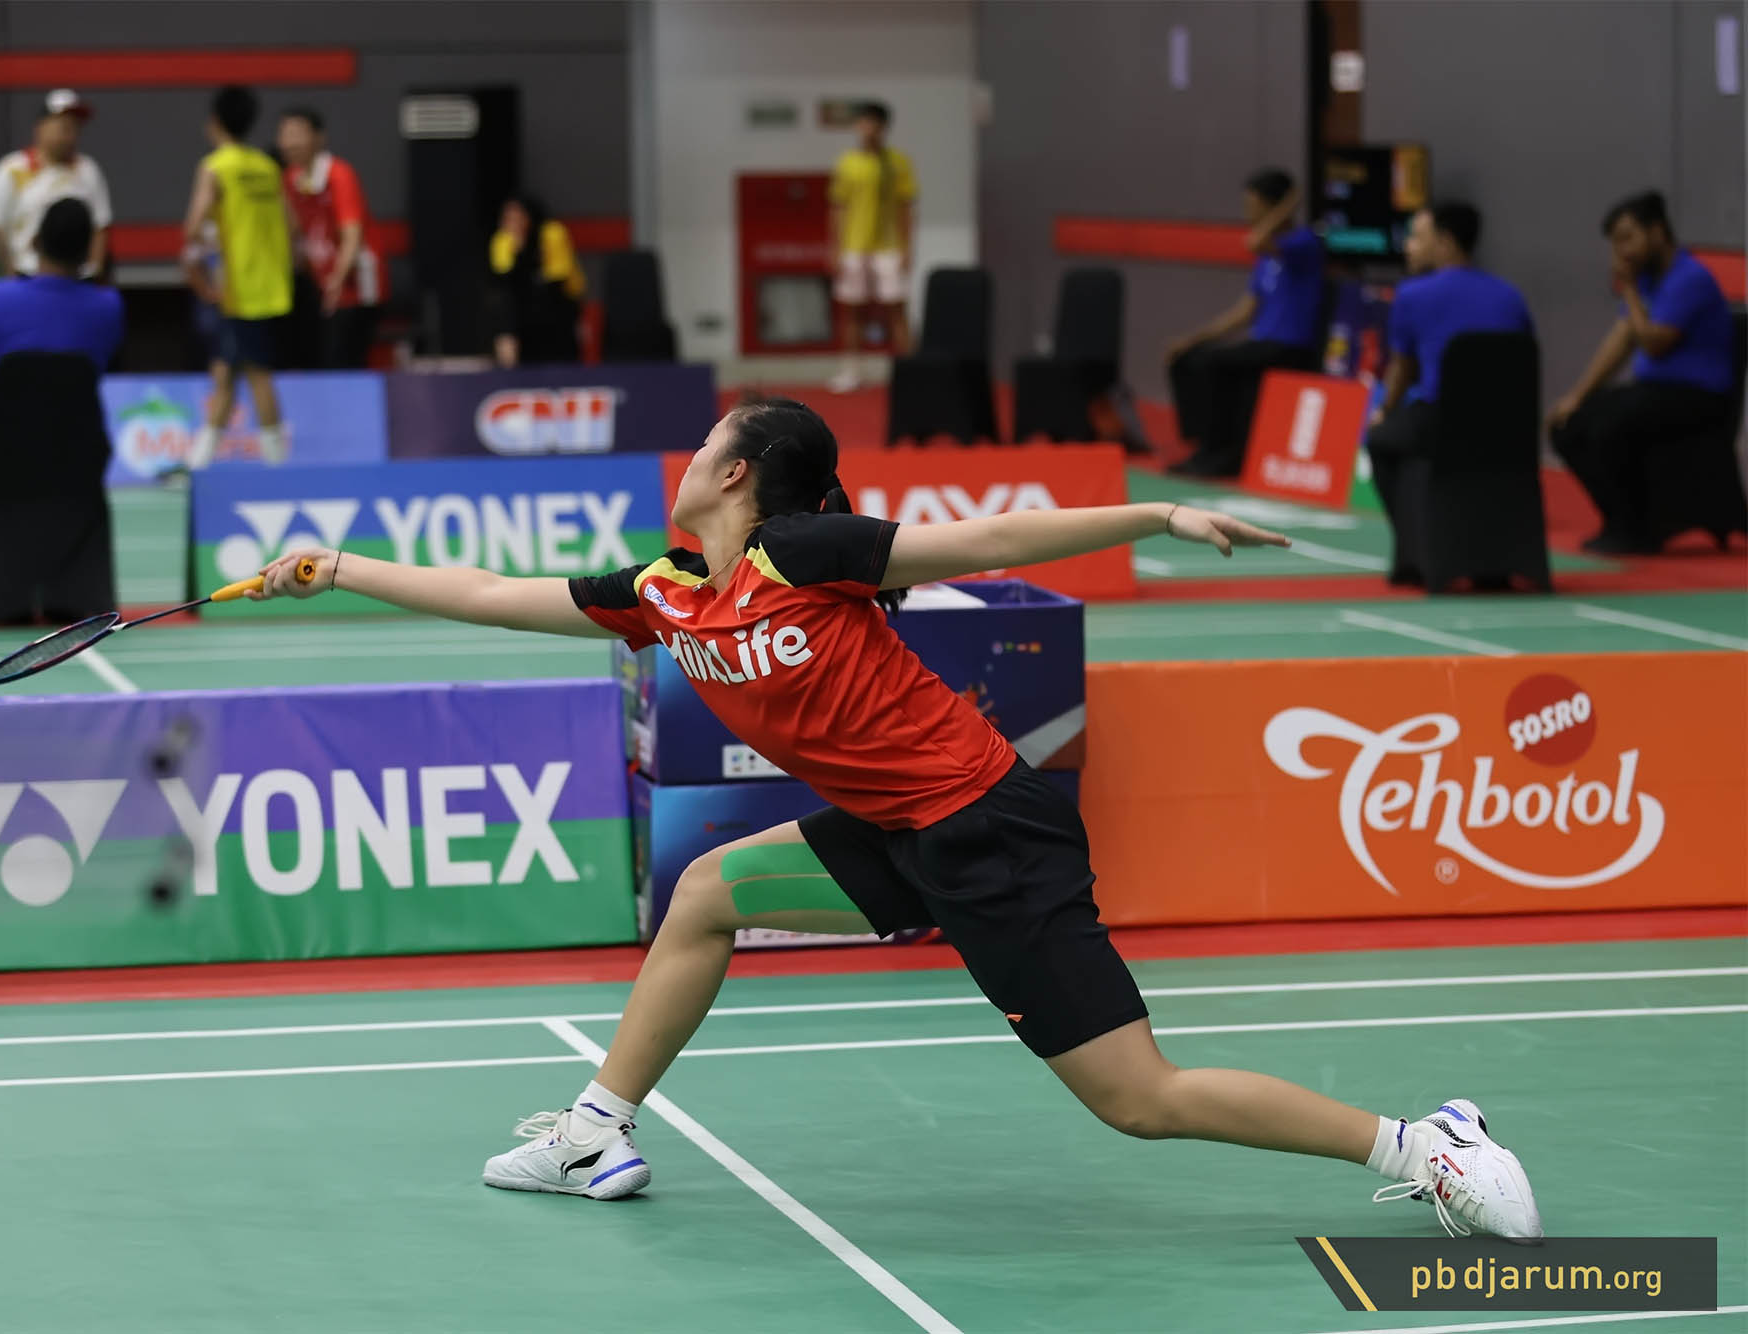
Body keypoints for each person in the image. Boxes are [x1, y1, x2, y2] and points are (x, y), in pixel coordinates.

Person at [249, 396, 1545, 1244]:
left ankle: (1422, 1143)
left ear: (737, 472)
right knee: (704, 892)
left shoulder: (802, 555)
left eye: (704, 443)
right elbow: (491, 592)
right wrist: (337, 567)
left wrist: (1158, 511)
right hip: (889, 828)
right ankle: (595, 1129)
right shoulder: (664, 590)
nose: (685, 456)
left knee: (1137, 1098)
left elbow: (983, 539)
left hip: (987, 827)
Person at [1549, 191, 1737, 554]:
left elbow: (1653, 343)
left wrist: (1631, 290)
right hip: (1654, 392)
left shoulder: (1690, 278)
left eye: (1627, 238)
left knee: (1610, 426)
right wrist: (1577, 395)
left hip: (1697, 396)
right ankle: (1622, 520)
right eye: (1615, 243)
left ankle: (1636, 529)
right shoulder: (1650, 279)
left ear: (1657, 232)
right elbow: (1621, 340)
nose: (1622, 251)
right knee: (1569, 425)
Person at [1365, 202, 1534, 583]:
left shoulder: (1412, 294)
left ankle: (1417, 556)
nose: (1408, 246)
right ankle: (1491, 561)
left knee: (1382, 440)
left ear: (1445, 242)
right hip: (1508, 431)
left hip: (1443, 424)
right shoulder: (1510, 295)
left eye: (1416, 237)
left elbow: (1402, 369)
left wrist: (1385, 410)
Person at [0, 199, 123, 469]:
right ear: (88, 251)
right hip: (77, 467)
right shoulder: (109, 307)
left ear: (34, 243)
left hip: (0, 464)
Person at [1166, 168, 1325, 477]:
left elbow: (1255, 241)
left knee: (1212, 364)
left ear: (1274, 207)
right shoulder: (1267, 258)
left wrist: (1290, 204)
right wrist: (1194, 338)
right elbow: (1244, 311)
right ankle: (1204, 446)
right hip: (1259, 343)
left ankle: (1222, 454)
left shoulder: (1304, 243)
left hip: (1289, 346)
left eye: (1253, 205)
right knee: (1188, 358)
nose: (1247, 213)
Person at [182, 84, 291, 469]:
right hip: (270, 285)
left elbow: (194, 226)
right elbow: (291, 225)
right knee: (226, 371)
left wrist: (201, 262)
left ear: (214, 122)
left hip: (235, 288)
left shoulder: (216, 167)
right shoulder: (267, 167)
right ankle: (199, 462)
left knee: (255, 373)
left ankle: (277, 463)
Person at [277, 106, 386, 370]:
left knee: (344, 359)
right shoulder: (289, 179)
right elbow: (294, 232)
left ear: (318, 138)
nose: (290, 142)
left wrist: (336, 282)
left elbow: (352, 235)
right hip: (321, 285)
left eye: (297, 134)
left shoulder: (339, 174)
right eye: (285, 134)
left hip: (356, 284)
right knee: (318, 358)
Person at [827, 101, 918, 394]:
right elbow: (838, 207)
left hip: (889, 246)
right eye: (863, 123)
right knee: (852, 311)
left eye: (873, 123)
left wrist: (907, 247)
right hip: (854, 246)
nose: (868, 129)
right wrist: (835, 248)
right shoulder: (847, 163)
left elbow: (906, 207)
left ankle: (910, 374)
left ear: (883, 127)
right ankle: (852, 372)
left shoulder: (898, 163)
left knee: (897, 310)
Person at [0, 89, 112, 279]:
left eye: (76, 127)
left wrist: (94, 271)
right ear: (41, 126)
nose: (71, 134)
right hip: (26, 275)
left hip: (76, 279)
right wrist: (11, 271)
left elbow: (100, 225)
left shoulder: (87, 170)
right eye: (64, 126)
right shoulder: (12, 168)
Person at [489, 196, 585, 367]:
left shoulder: (552, 232)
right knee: (504, 310)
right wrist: (519, 249)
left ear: (530, 216)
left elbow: (557, 281)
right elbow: (506, 279)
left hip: (558, 302)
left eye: (519, 217)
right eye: (509, 219)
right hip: (522, 307)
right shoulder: (502, 239)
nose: (514, 223)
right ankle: (511, 368)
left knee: (546, 313)